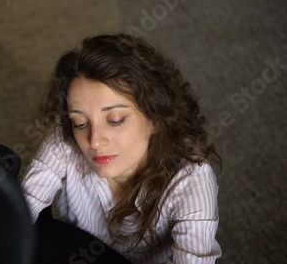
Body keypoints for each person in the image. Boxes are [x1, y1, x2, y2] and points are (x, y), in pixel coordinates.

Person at [21, 33, 222, 264]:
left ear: (156, 117)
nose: (94, 141)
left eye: (115, 120)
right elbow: (20, 210)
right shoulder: (66, 138)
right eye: (80, 122)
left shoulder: (191, 179)